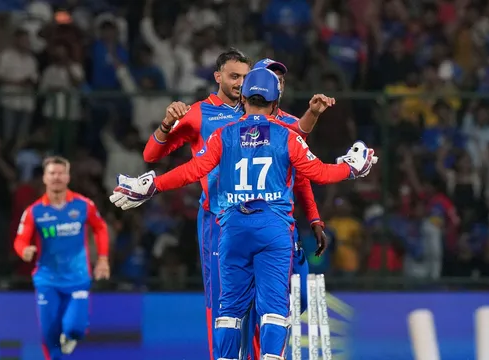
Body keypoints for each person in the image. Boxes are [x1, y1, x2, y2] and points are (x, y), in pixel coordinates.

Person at [110, 68, 376, 358]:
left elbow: (193, 170)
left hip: (232, 228)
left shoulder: (223, 135)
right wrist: (352, 167)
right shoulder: (287, 136)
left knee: (230, 308)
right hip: (274, 229)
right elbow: (319, 174)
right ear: (276, 104)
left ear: (244, 99)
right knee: (274, 307)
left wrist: (152, 185)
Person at [144, 49, 332, 359]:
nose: (241, 83)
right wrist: (166, 124)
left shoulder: (276, 119)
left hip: (268, 220)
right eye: (237, 77)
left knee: (278, 304)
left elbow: (301, 159)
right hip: (218, 220)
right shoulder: (201, 113)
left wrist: (313, 217)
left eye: (246, 78)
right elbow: (151, 156)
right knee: (224, 304)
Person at [243, 57, 333, 360]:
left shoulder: (287, 124)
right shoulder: (242, 127)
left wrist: (316, 219)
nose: (278, 81)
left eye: (281, 77)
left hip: (284, 228)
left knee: (302, 297)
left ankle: (272, 337)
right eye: (271, 76)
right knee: (253, 305)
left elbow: (303, 176)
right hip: (249, 227)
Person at [13, 156, 110, 360]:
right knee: (49, 334)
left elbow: (100, 228)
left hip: (78, 278)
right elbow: (20, 239)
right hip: (47, 279)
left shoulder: (83, 205)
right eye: (52, 173)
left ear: (68, 177)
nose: (56, 177)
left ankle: (71, 335)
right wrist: (24, 251)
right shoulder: (34, 211)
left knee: (75, 329)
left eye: (60, 173)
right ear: (44, 178)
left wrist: (102, 259)